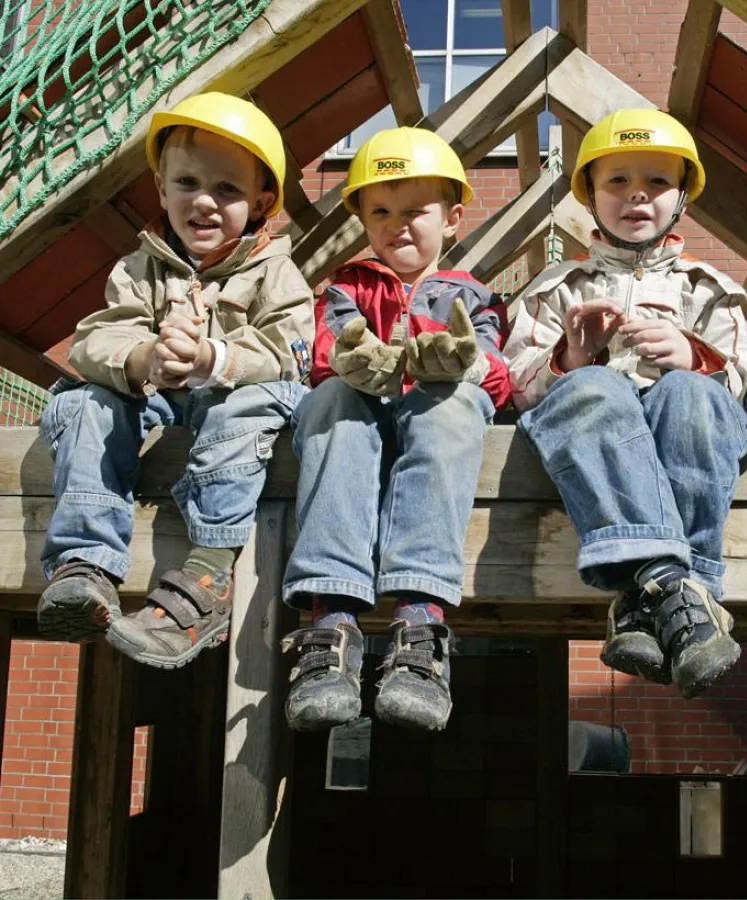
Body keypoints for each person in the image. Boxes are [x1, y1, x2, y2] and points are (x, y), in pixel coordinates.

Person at [37, 92, 314, 669]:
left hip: (234, 406)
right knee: (86, 401)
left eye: (228, 191)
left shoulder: (277, 272)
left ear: (261, 204)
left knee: (244, 405)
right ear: (162, 189)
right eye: (187, 183)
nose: (204, 202)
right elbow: (95, 339)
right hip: (161, 403)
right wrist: (145, 360)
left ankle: (210, 573)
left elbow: (289, 352)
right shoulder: (141, 267)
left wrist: (215, 359)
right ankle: (85, 564)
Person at [505, 109, 747, 699]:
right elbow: (517, 386)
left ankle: (647, 600)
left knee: (691, 394)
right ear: (589, 194)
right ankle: (680, 589)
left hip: (680, 425)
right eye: (616, 181)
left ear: (682, 198)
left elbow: (740, 382)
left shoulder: (709, 289)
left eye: (658, 182)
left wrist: (695, 357)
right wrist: (572, 356)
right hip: (597, 432)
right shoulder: (557, 287)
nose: (637, 194)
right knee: (595, 388)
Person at [280, 127, 510, 733]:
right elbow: (327, 351)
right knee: (331, 399)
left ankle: (419, 619)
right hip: (360, 421)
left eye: (416, 212)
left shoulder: (475, 296)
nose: (398, 225)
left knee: (451, 404)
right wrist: (353, 362)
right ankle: (330, 623)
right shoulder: (347, 287)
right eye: (380, 211)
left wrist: (463, 364)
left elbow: (496, 375)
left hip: (430, 427)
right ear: (360, 218)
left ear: (453, 218)